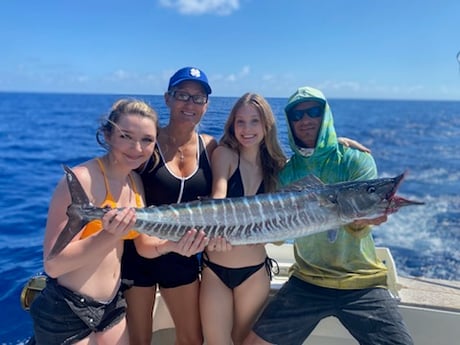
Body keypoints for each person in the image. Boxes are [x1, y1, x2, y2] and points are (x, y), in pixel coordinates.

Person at [243, 86, 414, 345]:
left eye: (313, 112)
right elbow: (278, 238)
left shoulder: (356, 159)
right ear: (289, 123)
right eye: (297, 116)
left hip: (361, 281)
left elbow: (362, 222)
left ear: (326, 116)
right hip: (307, 280)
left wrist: (363, 222)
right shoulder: (285, 173)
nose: (306, 120)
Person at [29, 99, 208, 345]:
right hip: (68, 309)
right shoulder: (82, 180)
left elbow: (144, 246)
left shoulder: (134, 182)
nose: (136, 147)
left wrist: (174, 245)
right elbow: (53, 265)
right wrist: (110, 234)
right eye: (126, 136)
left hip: (111, 309)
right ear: (108, 135)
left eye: (147, 140)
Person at [121, 67, 217, 345]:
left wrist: (339, 145)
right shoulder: (147, 145)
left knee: (192, 339)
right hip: (136, 254)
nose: (190, 104)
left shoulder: (211, 147)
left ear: (206, 105)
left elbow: (260, 158)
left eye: (198, 98)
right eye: (182, 95)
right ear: (167, 98)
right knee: (139, 340)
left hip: (182, 254)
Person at [200, 93, 286, 345]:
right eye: (240, 122)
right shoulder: (224, 154)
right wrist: (211, 231)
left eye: (254, 121)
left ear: (266, 125)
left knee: (243, 340)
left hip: (254, 272)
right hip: (214, 270)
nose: (246, 129)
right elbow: (218, 197)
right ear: (232, 124)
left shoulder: (278, 166)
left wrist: (342, 143)